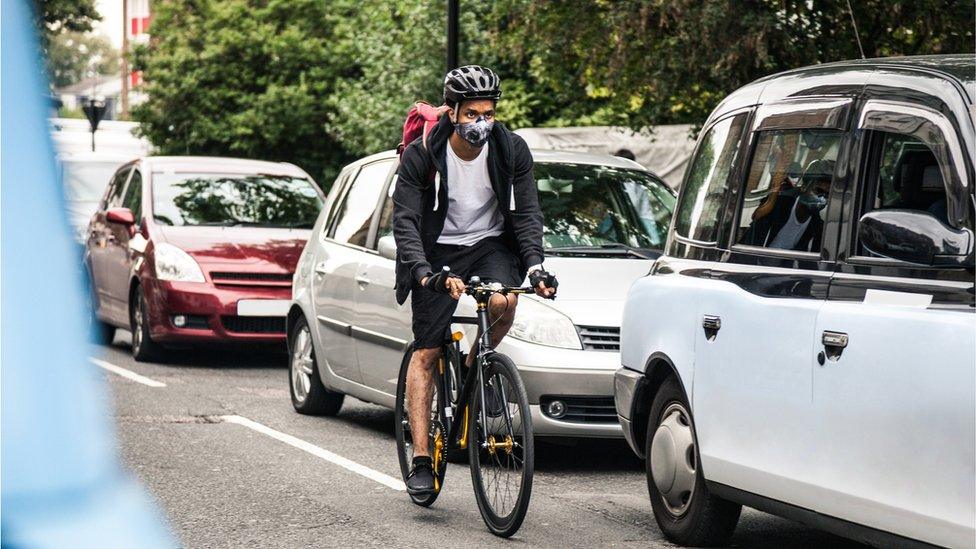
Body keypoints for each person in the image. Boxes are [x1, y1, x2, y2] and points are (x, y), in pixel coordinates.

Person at [392, 65, 558, 496]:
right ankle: (423, 459)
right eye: (472, 114)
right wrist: (424, 273)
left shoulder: (511, 150)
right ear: (452, 112)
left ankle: (475, 365)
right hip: (436, 248)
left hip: (488, 243)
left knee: (505, 302)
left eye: (488, 113)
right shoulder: (423, 155)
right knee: (426, 352)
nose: (481, 122)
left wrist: (536, 264)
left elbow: (526, 213)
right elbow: (406, 220)